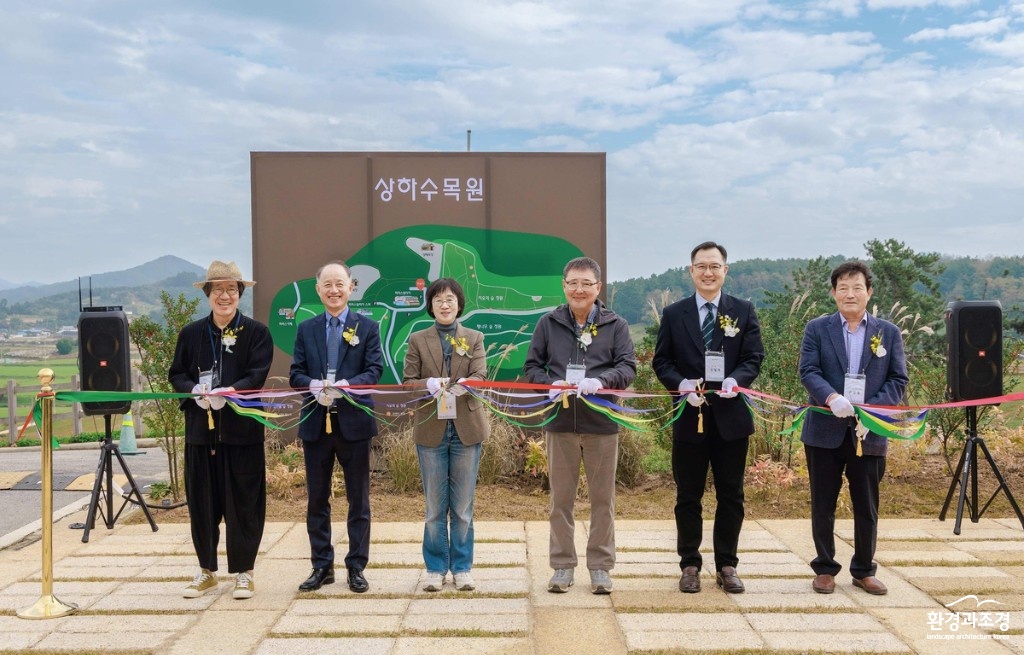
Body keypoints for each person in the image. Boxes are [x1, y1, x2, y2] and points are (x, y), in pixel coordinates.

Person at [652, 241, 764, 594]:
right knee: (688, 495)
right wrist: (680, 384)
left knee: (731, 494)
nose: (708, 272)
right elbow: (661, 361)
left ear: (725, 270)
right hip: (690, 417)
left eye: (715, 266)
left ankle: (727, 564)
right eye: (701, 266)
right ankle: (689, 564)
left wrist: (737, 380)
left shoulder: (743, 310)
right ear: (691, 271)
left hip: (731, 419)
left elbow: (753, 357)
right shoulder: (675, 314)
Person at [524, 256, 636, 594]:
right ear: (564, 285)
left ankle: (601, 567)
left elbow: (628, 366)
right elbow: (532, 367)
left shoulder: (616, 324)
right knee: (561, 499)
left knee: (603, 500)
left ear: (598, 288)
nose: (579, 289)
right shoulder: (549, 322)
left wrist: (602, 382)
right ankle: (561, 566)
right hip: (560, 422)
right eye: (573, 282)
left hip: (601, 423)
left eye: (586, 283)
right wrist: (549, 385)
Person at [799, 261, 907, 596]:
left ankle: (863, 569)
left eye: (857, 287)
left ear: (868, 292)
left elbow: (898, 378)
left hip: (869, 431)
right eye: (843, 288)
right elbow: (808, 370)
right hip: (824, 429)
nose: (850, 294)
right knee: (823, 503)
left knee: (867, 504)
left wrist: (871, 409)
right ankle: (825, 568)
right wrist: (831, 398)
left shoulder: (887, 332)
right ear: (833, 293)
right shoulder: (817, 329)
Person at [169, 260, 273, 600]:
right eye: (218, 290)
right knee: (202, 503)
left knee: (244, 502)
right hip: (201, 432)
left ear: (240, 293)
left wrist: (230, 392)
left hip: (241, 432)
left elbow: (257, 373)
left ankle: (245, 572)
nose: (224, 296)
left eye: (231, 289)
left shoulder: (256, 332)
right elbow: (177, 374)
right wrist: (194, 393)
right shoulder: (191, 333)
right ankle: (206, 571)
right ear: (208, 295)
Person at [290, 261, 383, 594]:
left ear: (351, 287)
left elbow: (374, 370)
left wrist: (347, 385)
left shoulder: (367, 327)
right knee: (317, 499)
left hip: (354, 424)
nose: (333, 290)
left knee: (359, 500)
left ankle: (356, 567)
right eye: (327, 284)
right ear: (318, 290)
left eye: (339, 284)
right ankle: (321, 566)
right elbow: (295, 373)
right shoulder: (306, 328)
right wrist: (312, 384)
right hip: (316, 422)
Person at [402, 278, 490, 592]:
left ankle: (463, 567)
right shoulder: (418, 339)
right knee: (435, 507)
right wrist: (425, 384)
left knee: (463, 507)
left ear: (459, 303)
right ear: (431, 305)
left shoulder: (474, 337)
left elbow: (481, 375)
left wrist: (467, 384)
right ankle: (435, 568)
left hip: (466, 428)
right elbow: (407, 381)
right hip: (431, 429)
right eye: (438, 299)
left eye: (450, 299)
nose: (444, 304)